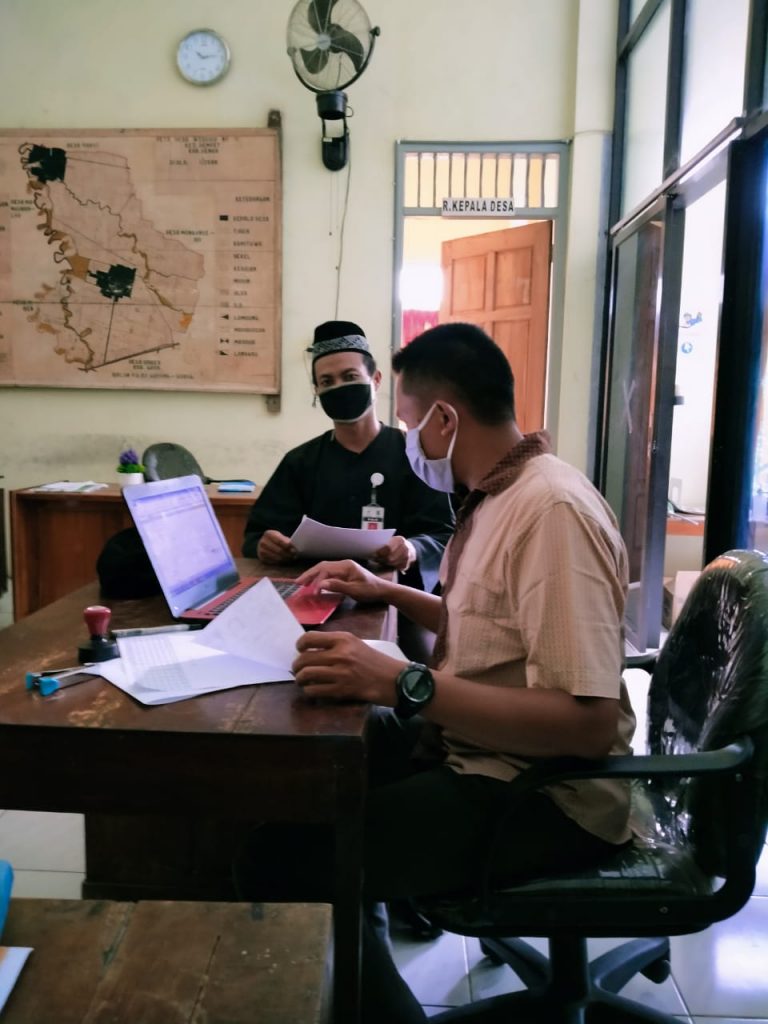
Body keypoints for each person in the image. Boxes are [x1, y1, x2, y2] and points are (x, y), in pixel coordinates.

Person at [281, 322, 637, 1023]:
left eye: (409, 424)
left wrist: (404, 683)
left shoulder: (551, 511)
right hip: (488, 753)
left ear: (444, 418)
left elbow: (588, 727)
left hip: (547, 795)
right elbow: (489, 625)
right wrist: (385, 592)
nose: (407, 440)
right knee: (312, 784)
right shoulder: (501, 493)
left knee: (286, 861)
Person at [242, 320, 454, 595]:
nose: (339, 387)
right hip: (314, 595)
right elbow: (258, 536)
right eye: (327, 382)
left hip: (397, 600)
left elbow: (444, 536)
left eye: (350, 376)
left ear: (376, 379)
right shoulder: (300, 462)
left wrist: (412, 549)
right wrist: (265, 546)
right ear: (316, 391)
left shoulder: (416, 454)